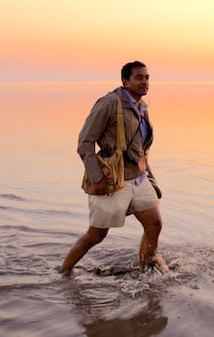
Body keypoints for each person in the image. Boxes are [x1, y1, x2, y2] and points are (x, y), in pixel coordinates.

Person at [60, 60, 168, 274]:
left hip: (139, 178)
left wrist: (151, 179)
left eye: (147, 78)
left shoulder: (142, 108)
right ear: (125, 81)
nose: (145, 82)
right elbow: (85, 142)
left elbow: (142, 150)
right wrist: (96, 177)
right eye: (139, 77)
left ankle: (147, 267)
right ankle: (63, 273)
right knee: (96, 235)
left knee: (154, 224)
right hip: (113, 180)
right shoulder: (110, 102)